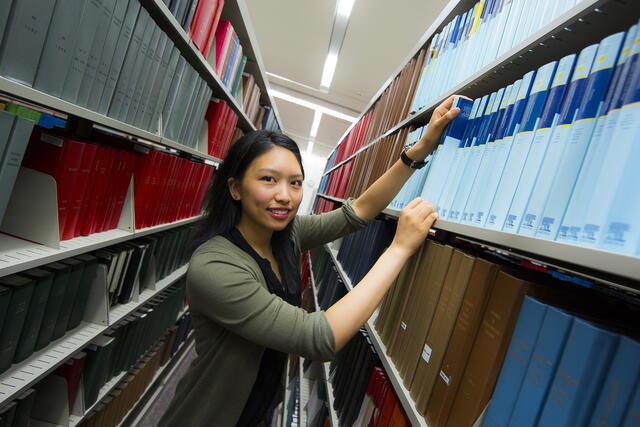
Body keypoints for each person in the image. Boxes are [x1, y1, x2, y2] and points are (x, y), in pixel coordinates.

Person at [158, 96, 461, 426]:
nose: (285, 196)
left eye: (295, 182)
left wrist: (418, 151)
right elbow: (319, 338)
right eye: (268, 179)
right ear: (235, 188)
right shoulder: (216, 266)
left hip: (258, 409)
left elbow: (356, 212)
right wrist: (399, 249)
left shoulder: (287, 235)